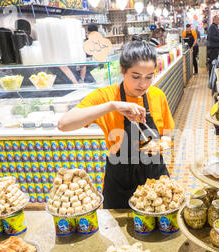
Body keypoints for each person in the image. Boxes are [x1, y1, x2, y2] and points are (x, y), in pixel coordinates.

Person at [57, 40, 175, 209]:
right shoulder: (106, 96)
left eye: (149, 77)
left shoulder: (157, 96)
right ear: (123, 70)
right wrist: (112, 106)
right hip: (120, 183)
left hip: (156, 181)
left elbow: (167, 133)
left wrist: (164, 142)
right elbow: (64, 124)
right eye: (136, 76)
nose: (143, 84)